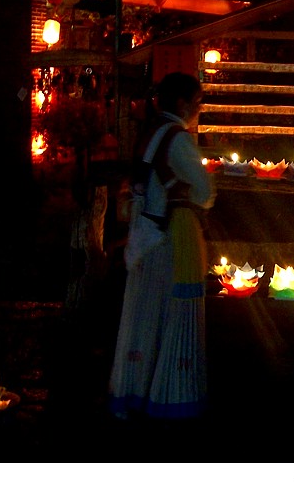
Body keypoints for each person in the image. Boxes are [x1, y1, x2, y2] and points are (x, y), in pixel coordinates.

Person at [109, 72, 216, 420]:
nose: (199, 109)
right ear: (183, 103)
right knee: (176, 315)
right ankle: (171, 394)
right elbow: (204, 192)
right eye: (198, 102)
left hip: (146, 232)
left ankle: (134, 390)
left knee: (144, 313)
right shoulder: (178, 138)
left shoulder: (150, 132)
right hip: (174, 232)